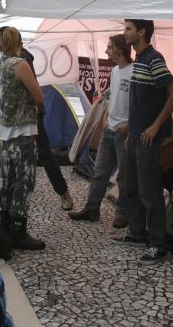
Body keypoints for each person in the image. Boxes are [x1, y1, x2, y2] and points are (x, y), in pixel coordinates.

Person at [0, 26, 74, 211]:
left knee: (43, 156)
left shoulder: (22, 59)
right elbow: (7, 81)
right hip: (13, 123)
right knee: (16, 169)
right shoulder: (3, 62)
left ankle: (63, 194)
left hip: (28, 121)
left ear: (8, 40)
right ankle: (11, 209)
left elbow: (32, 90)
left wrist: (35, 110)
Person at [114, 19, 173, 264]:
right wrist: (130, 128)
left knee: (150, 192)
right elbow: (142, 101)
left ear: (142, 32)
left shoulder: (154, 58)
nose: (124, 33)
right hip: (135, 135)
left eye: (128, 28)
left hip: (148, 138)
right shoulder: (140, 60)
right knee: (131, 186)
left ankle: (158, 245)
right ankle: (136, 232)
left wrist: (155, 126)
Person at [69, 34, 132, 227]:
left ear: (120, 50)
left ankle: (123, 213)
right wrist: (105, 117)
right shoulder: (114, 71)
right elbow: (111, 96)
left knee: (124, 176)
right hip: (109, 129)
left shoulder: (135, 71)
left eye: (110, 47)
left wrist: (129, 125)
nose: (106, 50)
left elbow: (141, 103)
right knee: (100, 172)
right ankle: (91, 210)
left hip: (124, 132)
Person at [0, 26, 46, 250]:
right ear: (17, 43)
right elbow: (39, 95)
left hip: (5, 132)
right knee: (24, 182)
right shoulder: (20, 65)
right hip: (23, 132)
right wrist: (37, 106)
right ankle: (19, 231)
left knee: (6, 179)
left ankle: (3, 226)